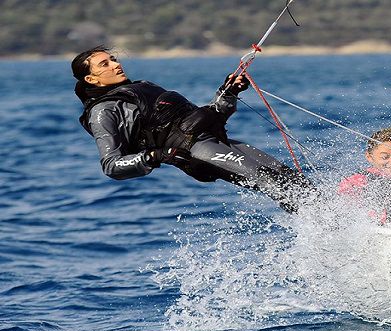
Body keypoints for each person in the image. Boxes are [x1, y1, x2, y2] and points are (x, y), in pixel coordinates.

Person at [71, 45, 313, 212]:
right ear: (92, 79)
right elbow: (111, 166)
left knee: (289, 177)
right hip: (196, 152)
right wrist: (155, 156)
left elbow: (209, 115)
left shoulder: (144, 88)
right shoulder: (103, 111)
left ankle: (332, 209)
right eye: (105, 64)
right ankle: (325, 223)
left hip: (215, 139)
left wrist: (228, 92)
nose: (115, 64)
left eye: (113, 59)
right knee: (268, 180)